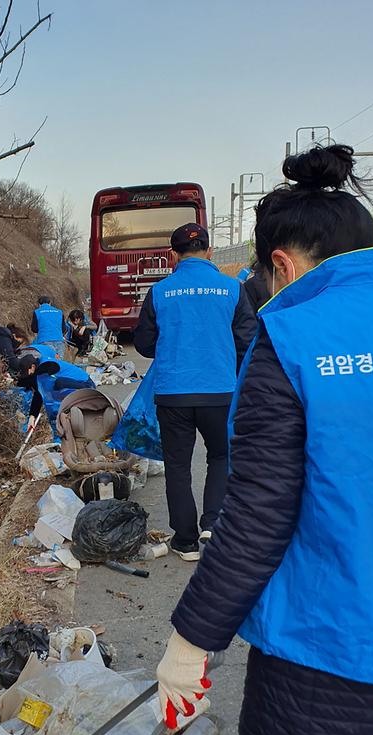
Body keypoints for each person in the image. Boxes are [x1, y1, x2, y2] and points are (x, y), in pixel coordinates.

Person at [156, 145, 373, 735]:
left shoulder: (291, 340)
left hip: (325, 666)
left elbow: (259, 516)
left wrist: (192, 641)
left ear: (281, 265)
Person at [134, 222, 257, 561]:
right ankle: (213, 523)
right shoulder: (232, 288)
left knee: (177, 464)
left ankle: (185, 541)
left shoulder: (160, 291)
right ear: (209, 251)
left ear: (173, 255)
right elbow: (248, 342)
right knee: (220, 456)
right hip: (220, 392)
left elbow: (144, 344)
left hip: (173, 394)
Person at [15, 351, 94, 433]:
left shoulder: (47, 366)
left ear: (32, 366)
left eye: (27, 373)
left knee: (58, 385)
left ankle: (78, 413)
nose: (28, 375)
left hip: (86, 385)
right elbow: (38, 394)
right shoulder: (39, 373)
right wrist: (32, 417)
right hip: (76, 385)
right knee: (55, 390)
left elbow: (52, 369)